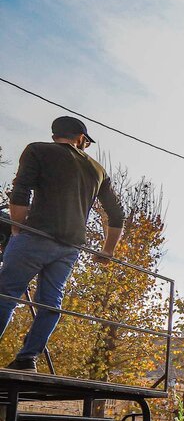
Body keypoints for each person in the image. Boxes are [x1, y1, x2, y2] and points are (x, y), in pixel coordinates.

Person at [0, 117, 125, 370]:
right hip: (69, 247)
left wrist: (17, 228)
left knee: (6, 293)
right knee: (50, 301)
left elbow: (21, 190)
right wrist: (107, 251)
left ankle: (26, 357)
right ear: (80, 138)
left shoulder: (38, 150)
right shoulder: (98, 171)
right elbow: (117, 214)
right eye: (86, 143)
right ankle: (28, 358)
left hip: (35, 236)